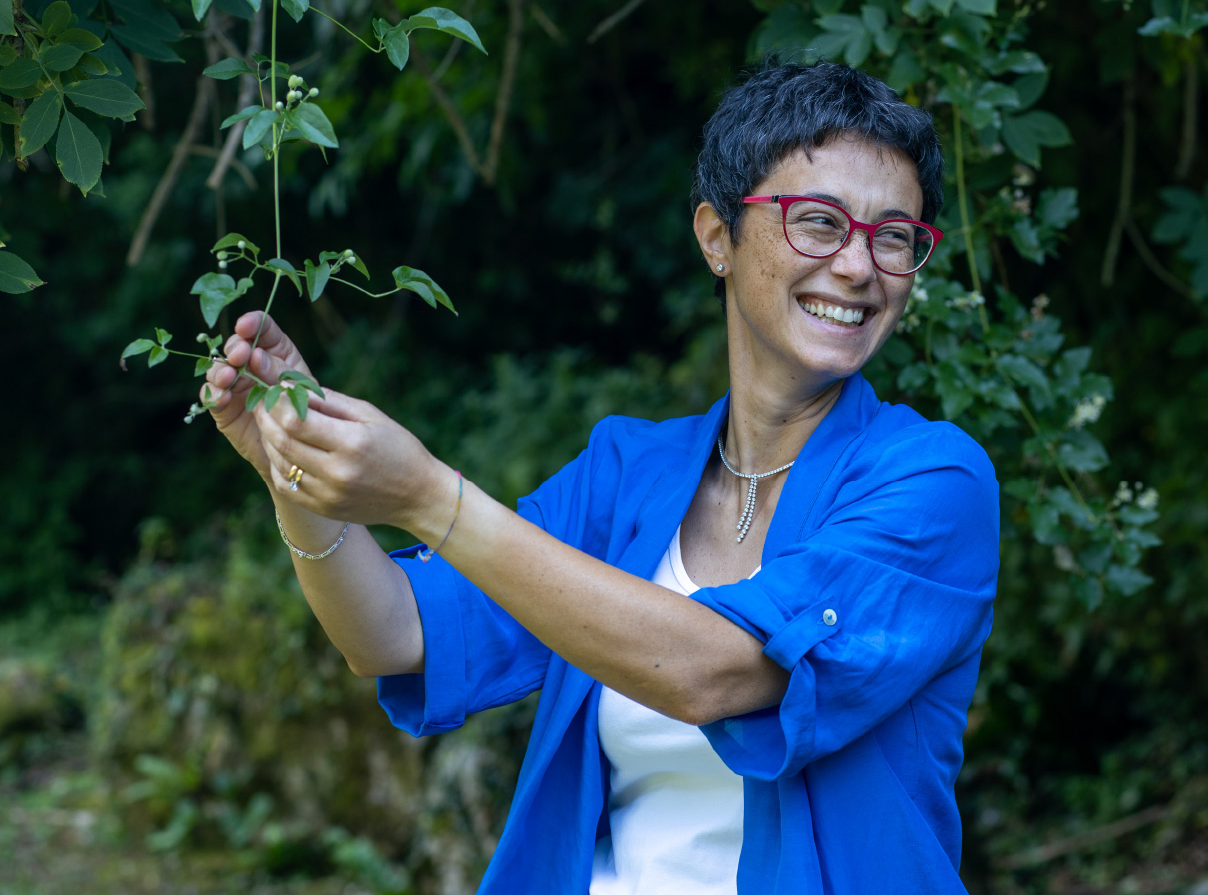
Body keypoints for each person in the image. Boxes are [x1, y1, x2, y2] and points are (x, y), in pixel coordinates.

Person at [204, 60, 999, 895]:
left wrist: (431, 498)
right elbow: (399, 634)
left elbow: (718, 671)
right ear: (717, 235)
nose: (857, 266)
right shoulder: (627, 473)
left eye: (894, 236)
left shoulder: (934, 480)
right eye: (818, 222)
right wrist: (295, 470)